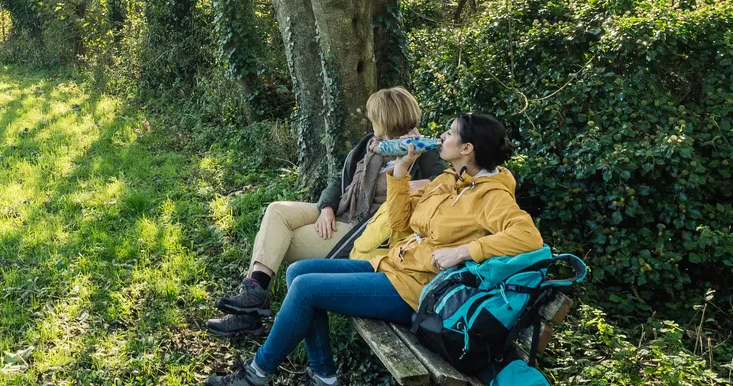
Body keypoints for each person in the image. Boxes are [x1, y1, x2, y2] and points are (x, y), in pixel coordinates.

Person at [205, 112, 542, 386]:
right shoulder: (448, 180)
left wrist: (464, 251)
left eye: (450, 134)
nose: (442, 138)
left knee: (307, 289)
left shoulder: (492, 195)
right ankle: (323, 375)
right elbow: (399, 222)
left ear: (467, 148)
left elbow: (528, 238)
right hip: (395, 265)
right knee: (297, 272)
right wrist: (401, 169)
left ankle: (256, 374)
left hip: (417, 289)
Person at [207, 87, 444, 335]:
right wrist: (327, 207)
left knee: (276, 244)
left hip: (363, 229)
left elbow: (443, 186)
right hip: (343, 210)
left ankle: (248, 312)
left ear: (386, 120)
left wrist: (422, 185)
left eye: (374, 116)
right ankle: (253, 297)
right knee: (277, 210)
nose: (370, 120)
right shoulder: (372, 144)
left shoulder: (423, 153)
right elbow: (338, 180)